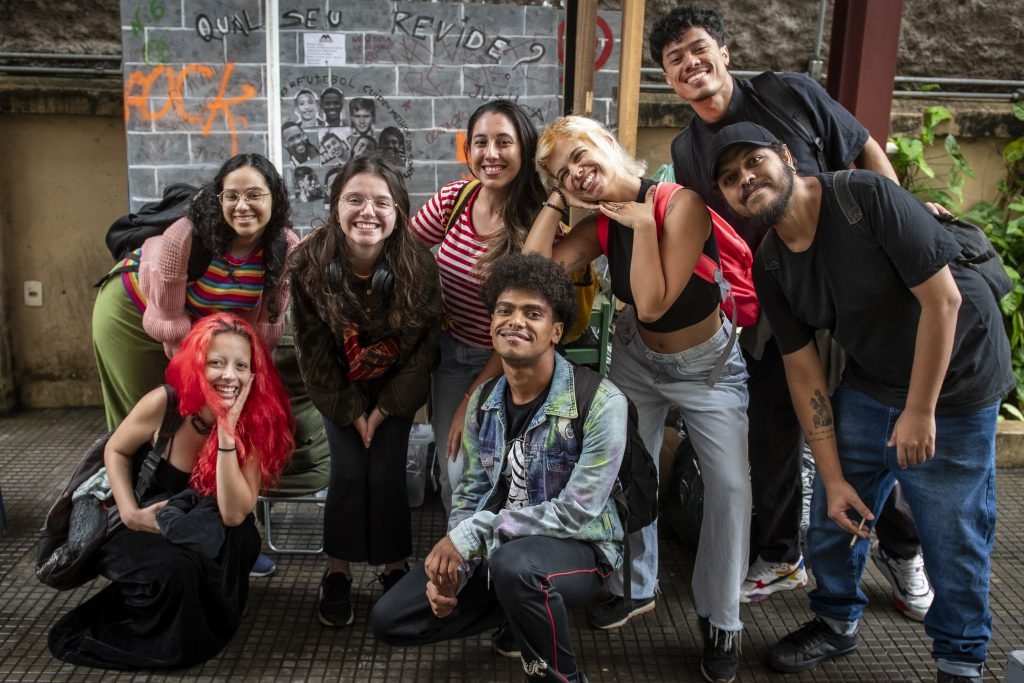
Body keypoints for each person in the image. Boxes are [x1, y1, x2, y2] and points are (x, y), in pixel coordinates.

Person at [650, 5, 935, 616]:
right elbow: (708, 233)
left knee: (875, 432)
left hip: (857, 289)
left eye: (699, 49)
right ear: (669, 80)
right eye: (675, 60)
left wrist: (906, 226)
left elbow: (864, 152)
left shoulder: (789, 94)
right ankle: (782, 556)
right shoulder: (685, 147)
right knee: (774, 428)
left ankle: (905, 548)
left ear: (723, 52)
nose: (690, 64)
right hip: (777, 302)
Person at [709, 122, 1013, 683]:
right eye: (730, 178)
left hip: (956, 378)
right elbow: (804, 373)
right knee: (833, 516)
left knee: (953, 530)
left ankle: (959, 659)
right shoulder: (771, 261)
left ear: (785, 157)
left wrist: (921, 410)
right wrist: (834, 476)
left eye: (753, 162)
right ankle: (836, 620)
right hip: (874, 380)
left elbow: (942, 300)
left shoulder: (861, 196)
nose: (745, 179)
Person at [528, 115, 750, 682]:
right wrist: (556, 199)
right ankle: (635, 583)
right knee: (627, 469)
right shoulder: (601, 223)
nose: (576, 174)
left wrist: (643, 227)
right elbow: (535, 270)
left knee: (728, 488)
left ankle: (723, 619)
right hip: (635, 358)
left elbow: (651, 302)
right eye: (561, 173)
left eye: (580, 157)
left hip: (707, 369)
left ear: (606, 144)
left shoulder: (681, 205)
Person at [371, 253, 627, 683]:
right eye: (504, 310)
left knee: (515, 567)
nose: (515, 321)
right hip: (503, 547)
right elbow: (471, 493)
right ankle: (517, 608)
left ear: (556, 331)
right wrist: (456, 572)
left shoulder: (601, 402)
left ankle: (561, 676)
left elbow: (578, 513)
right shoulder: (483, 403)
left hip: (582, 548)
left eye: (533, 313)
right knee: (391, 618)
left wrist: (471, 537)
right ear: (491, 324)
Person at [49, 313, 295, 669]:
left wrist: (227, 433)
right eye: (217, 363)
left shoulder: (256, 420)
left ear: (253, 374)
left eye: (241, 365)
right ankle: (153, 625)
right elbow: (114, 450)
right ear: (197, 363)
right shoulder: (165, 404)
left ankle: (206, 620)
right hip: (138, 518)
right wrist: (131, 512)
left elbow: (233, 514)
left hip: (194, 522)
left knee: (242, 539)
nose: (230, 375)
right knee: (176, 569)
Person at [288, 153, 441, 627]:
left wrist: (384, 411)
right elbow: (313, 353)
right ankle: (338, 572)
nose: (367, 212)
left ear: (398, 211)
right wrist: (352, 410)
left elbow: (423, 350)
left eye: (381, 202)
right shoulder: (310, 265)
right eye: (354, 199)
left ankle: (394, 567)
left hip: (397, 387)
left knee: (387, 474)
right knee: (351, 474)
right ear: (335, 206)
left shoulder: (418, 266)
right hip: (338, 387)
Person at [409, 99, 551, 517]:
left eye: (503, 142)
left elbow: (521, 326)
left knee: (507, 476)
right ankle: (456, 570)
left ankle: (501, 569)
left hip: (512, 366)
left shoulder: (539, 224)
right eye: (481, 143)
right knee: (454, 470)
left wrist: (471, 400)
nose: (491, 154)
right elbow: (401, 248)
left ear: (524, 149)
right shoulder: (456, 199)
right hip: (451, 357)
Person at [92, 152, 299, 430]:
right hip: (134, 307)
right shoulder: (185, 237)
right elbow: (171, 330)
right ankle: (125, 470)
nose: (242, 206)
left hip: (193, 318)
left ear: (274, 198)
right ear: (219, 200)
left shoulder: (283, 248)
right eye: (231, 196)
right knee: (146, 421)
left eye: (254, 195)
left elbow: (265, 332)